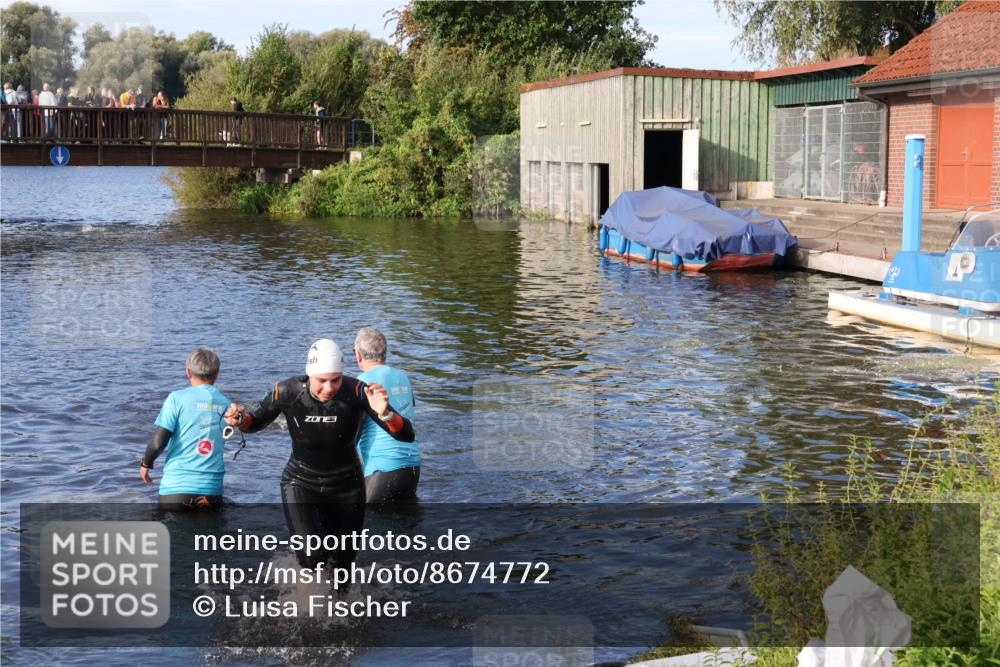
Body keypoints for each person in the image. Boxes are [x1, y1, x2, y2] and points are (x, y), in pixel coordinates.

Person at [225, 339, 415, 569]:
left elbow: (406, 435)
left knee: (343, 566)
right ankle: (305, 599)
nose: (328, 388)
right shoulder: (286, 391)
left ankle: (340, 604)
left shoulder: (358, 391)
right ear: (309, 374)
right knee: (313, 555)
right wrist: (240, 419)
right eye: (321, 381)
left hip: (347, 486)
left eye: (335, 380)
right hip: (300, 482)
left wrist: (384, 413)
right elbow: (254, 422)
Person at [141, 347, 233, 511]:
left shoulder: (176, 398)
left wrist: (146, 464)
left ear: (188, 372)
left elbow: (159, 440)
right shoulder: (227, 404)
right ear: (217, 374)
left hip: (176, 490)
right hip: (211, 491)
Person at [354, 327, 421, 505]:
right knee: (407, 528)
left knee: (369, 528)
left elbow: (352, 431)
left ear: (358, 355)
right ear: (385, 353)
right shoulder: (404, 377)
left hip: (382, 470)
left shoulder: (361, 384)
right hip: (412, 466)